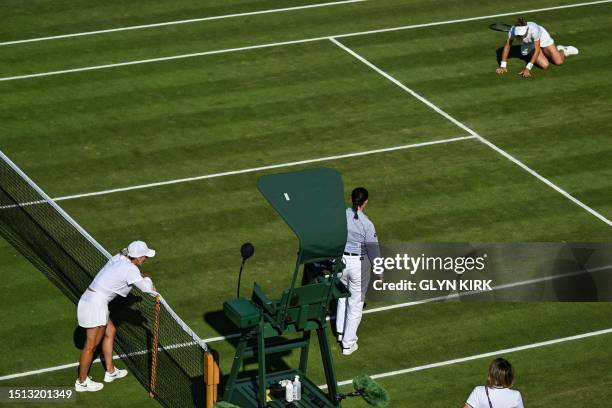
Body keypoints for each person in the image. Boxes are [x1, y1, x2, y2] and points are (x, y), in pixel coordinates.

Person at [75, 240, 158, 392]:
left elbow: (128, 275)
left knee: (110, 331)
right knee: (91, 346)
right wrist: (148, 281)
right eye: (145, 256)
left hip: (92, 299)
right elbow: (147, 289)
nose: (146, 259)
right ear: (138, 257)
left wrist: (141, 277)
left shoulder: (119, 258)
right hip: (95, 304)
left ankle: (110, 372)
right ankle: (82, 382)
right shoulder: (131, 270)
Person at [336, 187, 380, 356]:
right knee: (355, 305)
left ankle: (340, 332)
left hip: (340, 262)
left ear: (351, 199)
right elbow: (373, 249)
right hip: (357, 265)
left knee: (342, 296)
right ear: (365, 202)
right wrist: (380, 271)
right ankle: (348, 343)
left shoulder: (341, 215)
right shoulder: (367, 224)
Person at [496, 17, 578, 78]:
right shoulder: (513, 31)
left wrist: (528, 68)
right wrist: (503, 65)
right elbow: (507, 46)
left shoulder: (534, 29)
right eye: (519, 35)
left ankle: (562, 49)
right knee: (545, 65)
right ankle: (538, 54)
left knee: (559, 62)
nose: (521, 37)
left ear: (527, 30)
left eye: (522, 34)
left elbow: (537, 49)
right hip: (528, 44)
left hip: (542, 38)